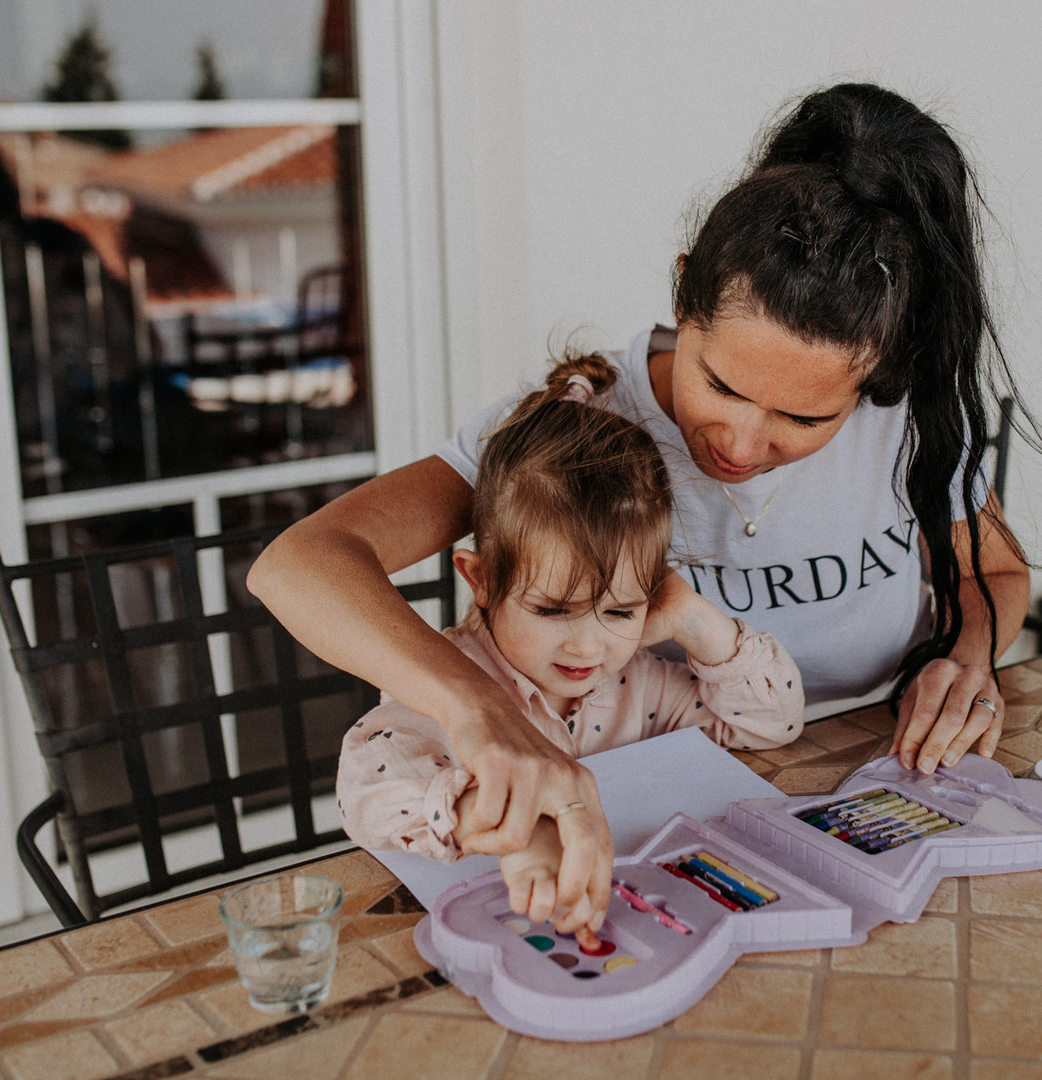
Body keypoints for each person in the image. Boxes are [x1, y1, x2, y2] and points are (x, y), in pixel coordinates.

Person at [250, 82, 1031, 937]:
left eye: (806, 418)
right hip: (674, 828)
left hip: (877, 785)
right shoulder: (575, 432)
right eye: (720, 383)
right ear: (683, 295)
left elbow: (990, 568)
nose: (740, 442)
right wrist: (483, 712)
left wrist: (969, 655)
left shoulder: (904, 415)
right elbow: (301, 565)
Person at [335, 356, 803, 940]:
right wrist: (517, 823)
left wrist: (695, 619)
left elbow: (771, 724)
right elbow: (365, 786)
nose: (589, 644)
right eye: (552, 610)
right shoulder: (444, 684)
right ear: (480, 579)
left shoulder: (638, 679)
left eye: (619, 610)